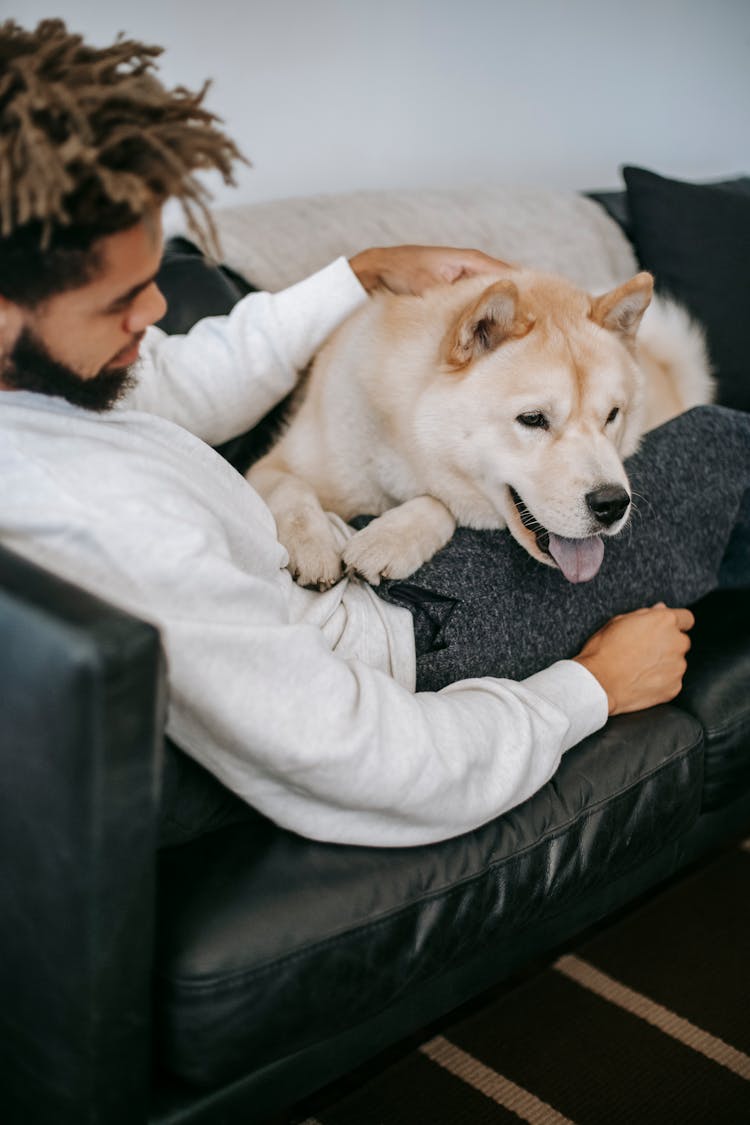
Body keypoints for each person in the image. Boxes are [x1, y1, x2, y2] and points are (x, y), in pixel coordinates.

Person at [1, 19, 748, 848]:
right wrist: (593, 687)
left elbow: (176, 379)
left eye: (150, 283)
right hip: (403, 629)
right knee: (724, 446)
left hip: (368, 589)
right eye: (119, 302)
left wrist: (360, 270)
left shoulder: (40, 381)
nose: (154, 315)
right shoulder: (108, 524)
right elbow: (373, 758)